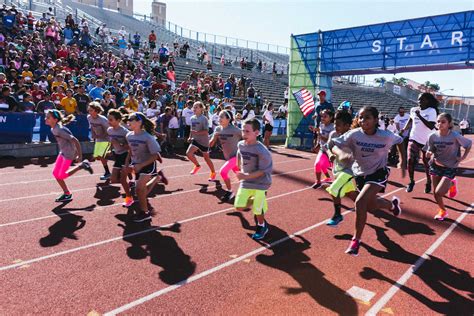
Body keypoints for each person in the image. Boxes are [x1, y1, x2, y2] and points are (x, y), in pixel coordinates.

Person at [331, 106, 407, 256]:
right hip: (360, 174)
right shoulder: (354, 135)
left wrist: (403, 160)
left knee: (360, 202)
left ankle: (355, 241)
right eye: (360, 117)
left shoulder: (385, 135)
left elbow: (400, 141)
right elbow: (333, 145)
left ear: (376, 120)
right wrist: (339, 153)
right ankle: (392, 205)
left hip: (378, 172)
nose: (363, 120)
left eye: (367, 117)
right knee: (371, 206)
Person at [425, 113, 471, 221]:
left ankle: (451, 182)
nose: (440, 124)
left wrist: (463, 157)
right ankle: (443, 211)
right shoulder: (432, 136)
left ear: (449, 123)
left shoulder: (454, 135)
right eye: (438, 121)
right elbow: (431, 148)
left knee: (439, 192)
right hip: (436, 165)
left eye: (443, 122)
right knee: (436, 193)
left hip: (450, 166)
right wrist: (429, 152)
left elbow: (468, 144)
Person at [124, 112, 167, 222]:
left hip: (148, 164)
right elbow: (130, 150)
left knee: (139, 189)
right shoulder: (129, 135)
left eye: (131, 119)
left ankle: (145, 213)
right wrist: (127, 163)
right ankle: (157, 178)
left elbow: (155, 155)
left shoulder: (148, 137)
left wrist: (141, 165)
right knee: (140, 191)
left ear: (139, 122)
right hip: (137, 164)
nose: (128, 121)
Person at [234, 118, 273, 240]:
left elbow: (263, 171)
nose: (244, 134)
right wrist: (237, 165)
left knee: (257, 210)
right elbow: (239, 153)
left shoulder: (262, 150)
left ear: (256, 133)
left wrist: (245, 176)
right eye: (243, 131)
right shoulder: (240, 144)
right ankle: (257, 201)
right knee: (239, 207)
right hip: (246, 181)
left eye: (247, 131)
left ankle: (262, 226)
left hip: (261, 183)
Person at [46, 109, 93, 202]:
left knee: (61, 176)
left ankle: (81, 166)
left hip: (68, 154)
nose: (45, 119)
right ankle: (67, 193)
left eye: (48, 117)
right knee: (56, 174)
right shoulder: (54, 128)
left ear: (55, 120)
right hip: (63, 152)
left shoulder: (59, 129)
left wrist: (79, 155)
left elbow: (75, 140)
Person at [400, 93, 438, 193]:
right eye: (418, 100)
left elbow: (430, 126)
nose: (419, 102)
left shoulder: (431, 111)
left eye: (422, 100)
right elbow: (410, 120)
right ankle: (411, 181)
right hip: (414, 138)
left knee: (426, 164)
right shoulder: (413, 109)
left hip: (427, 141)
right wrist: (404, 129)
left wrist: (419, 115)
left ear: (428, 101)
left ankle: (428, 181)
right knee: (410, 160)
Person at [325, 110, 357, 226]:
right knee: (355, 196)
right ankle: (390, 205)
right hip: (338, 169)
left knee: (334, 189)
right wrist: (330, 155)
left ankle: (337, 215)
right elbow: (328, 147)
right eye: (334, 124)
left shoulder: (353, 137)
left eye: (338, 124)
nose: (335, 127)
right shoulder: (333, 134)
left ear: (347, 126)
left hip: (349, 170)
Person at [209, 110, 242, 201]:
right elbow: (210, 144)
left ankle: (229, 191)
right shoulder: (218, 129)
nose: (219, 119)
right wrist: (215, 137)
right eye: (218, 117)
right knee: (241, 176)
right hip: (228, 157)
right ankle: (252, 187)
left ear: (228, 119)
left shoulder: (235, 130)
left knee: (223, 171)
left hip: (236, 157)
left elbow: (247, 136)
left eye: (221, 117)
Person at [107, 109, 133, 207]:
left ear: (118, 120)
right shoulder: (109, 130)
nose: (109, 121)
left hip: (125, 156)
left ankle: (129, 198)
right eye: (108, 119)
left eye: (111, 119)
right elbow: (111, 141)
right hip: (117, 156)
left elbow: (131, 146)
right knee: (113, 180)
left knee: (122, 180)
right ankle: (131, 176)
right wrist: (110, 149)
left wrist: (120, 144)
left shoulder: (125, 131)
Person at [186, 101, 216, 180]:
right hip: (195, 140)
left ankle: (213, 172)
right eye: (194, 107)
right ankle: (197, 165)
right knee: (188, 154)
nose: (194, 108)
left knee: (206, 158)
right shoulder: (192, 118)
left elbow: (206, 131)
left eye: (196, 107)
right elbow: (192, 129)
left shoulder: (204, 119)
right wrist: (190, 136)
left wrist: (196, 133)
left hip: (204, 141)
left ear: (201, 109)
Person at [311, 109, 334, 188]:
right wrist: (317, 144)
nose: (322, 118)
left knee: (325, 165)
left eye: (325, 116)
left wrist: (321, 136)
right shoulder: (321, 124)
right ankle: (318, 182)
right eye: (322, 116)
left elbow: (330, 141)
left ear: (331, 117)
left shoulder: (333, 127)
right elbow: (319, 136)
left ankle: (329, 178)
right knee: (318, 164)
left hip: (331, 151)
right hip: (322, 149)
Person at [87, 102, 111, 180]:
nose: (89, 112)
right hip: (98, 138)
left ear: (96, 111)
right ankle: (112, 155)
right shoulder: (89, 117)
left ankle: (108, 173)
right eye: (89, 110)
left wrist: (101, 136)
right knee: (97, 157)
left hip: (107, 138)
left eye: (91, 110)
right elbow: (92, 127)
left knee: (101, 156)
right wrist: (94, 135)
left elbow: (109, 130)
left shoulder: (102, 119)